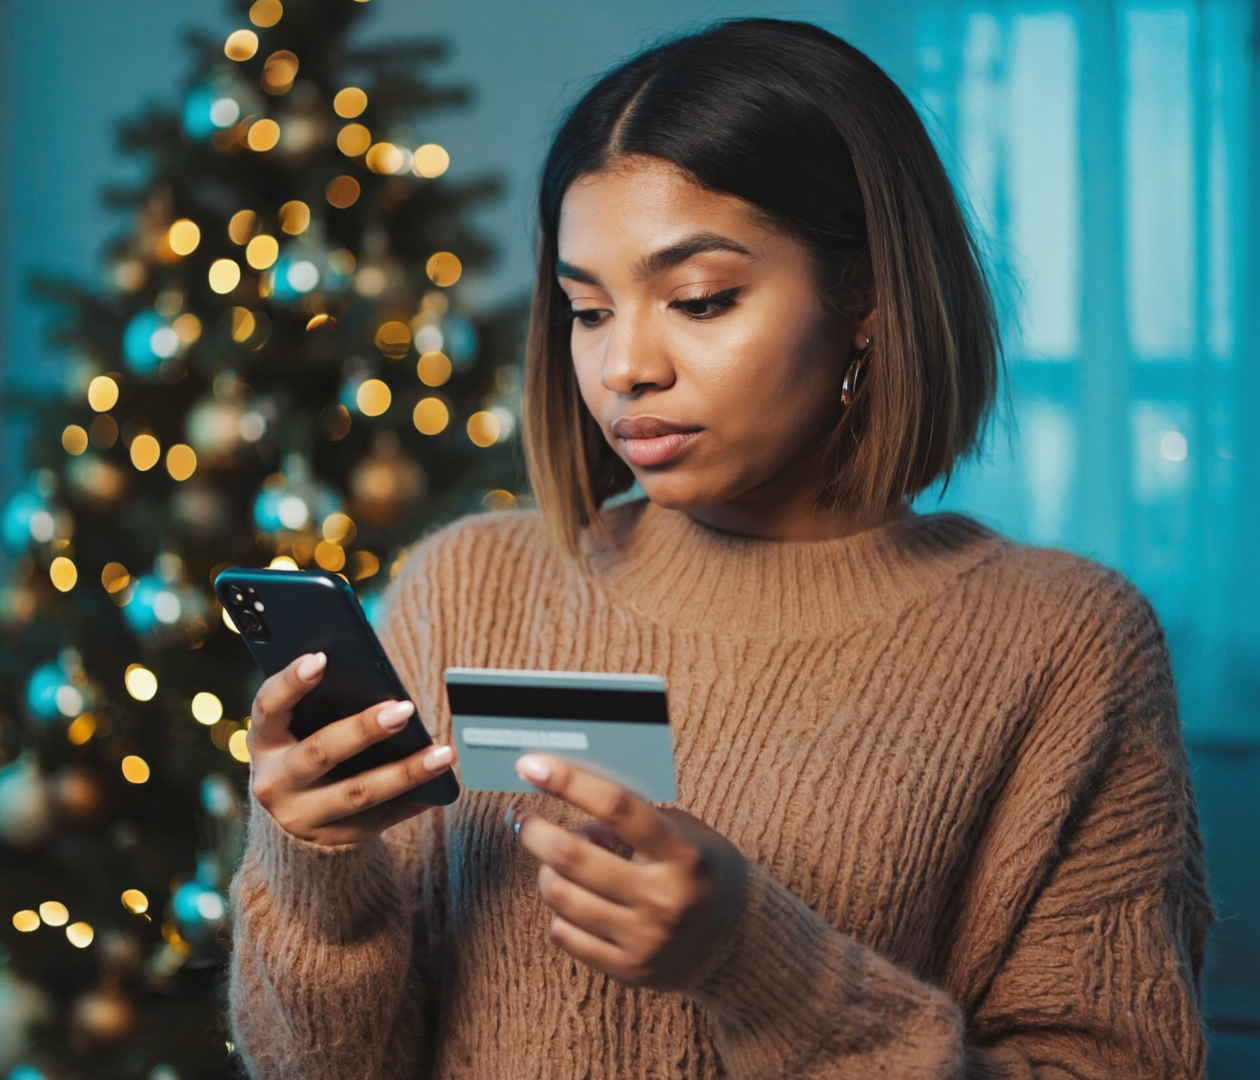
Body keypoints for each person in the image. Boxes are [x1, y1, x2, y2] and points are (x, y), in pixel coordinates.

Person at [227, 19, 1211, 1080]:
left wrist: (760, 968)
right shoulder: (468, 584)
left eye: (699, 300)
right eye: (587, 310)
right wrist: (321, 871)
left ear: (866, 298)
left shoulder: (1061, 643)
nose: (625, 366)